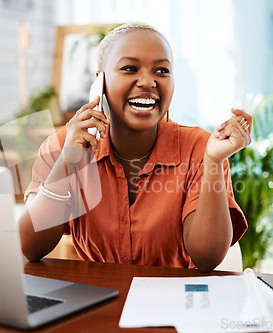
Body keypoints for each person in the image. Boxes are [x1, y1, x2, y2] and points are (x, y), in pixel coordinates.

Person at [19, 22, 252, 272]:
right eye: (130, 68)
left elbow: (207, 257)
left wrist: (214, 162)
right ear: (100, 82)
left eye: (161, 71)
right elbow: (32, 248)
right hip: (101, 299)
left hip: (175, 300)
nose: (147, 81)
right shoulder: (63, 145)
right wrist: (67, 162)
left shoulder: (200, 149)